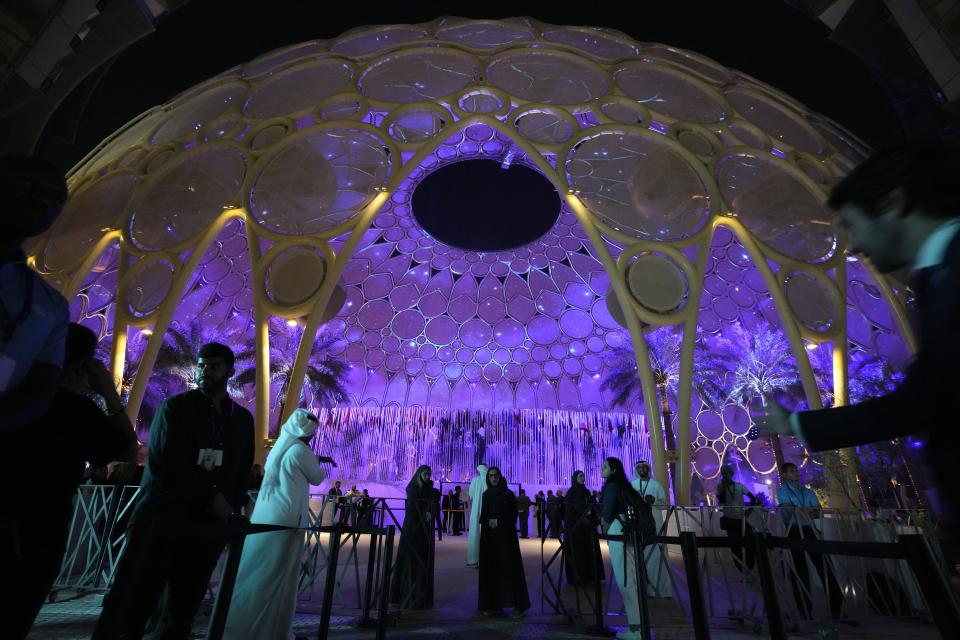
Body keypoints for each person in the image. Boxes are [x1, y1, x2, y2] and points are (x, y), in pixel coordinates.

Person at [756, 143, 960, 546]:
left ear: (892, 203)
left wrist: (797, 424)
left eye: (852, 224)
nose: (852, 245)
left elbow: (922, 401)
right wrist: (797, 424)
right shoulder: (935, 277)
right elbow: (925, 396)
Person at [92, 342, 255, 640]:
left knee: (183, 605)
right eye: (202, 364)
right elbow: (170, 463)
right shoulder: (176, 408)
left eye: (214, 365)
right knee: (135, 599)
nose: (206, 370)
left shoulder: (241, 419)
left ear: (230, 371)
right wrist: (214, 498)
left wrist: (233, 507)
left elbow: (241, 469)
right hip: (164, 518)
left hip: (206, 527)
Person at [8, 323, 136, 639]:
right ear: (81, 365)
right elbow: (127, 447)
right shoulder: (74, 410)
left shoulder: (12, 392)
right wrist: (107, 390)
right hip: (40, 528)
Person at [224, 409, 335, 639]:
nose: (313, 437)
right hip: (287, 523)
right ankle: (272, 632)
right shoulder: (301, 450)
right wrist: (315, 458)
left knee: (259, 572)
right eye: (312, 433)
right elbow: (317, 477)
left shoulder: (280, 449)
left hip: (269, 517)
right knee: (280, 579)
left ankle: (242, 625)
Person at [0, 154, 70, 435]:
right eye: (27, 184)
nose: (40, 200)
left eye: (54, 197)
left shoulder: (50, 305)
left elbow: (40, 389)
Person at [776, 462, 845, 620]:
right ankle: (804, 609)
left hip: (810, 530)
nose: (795, 473)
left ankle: (838, 609)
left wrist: (801, 511)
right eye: (791, 471)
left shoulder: (808, 492)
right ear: (785, 475)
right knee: (800, 571)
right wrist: (804, 511)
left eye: (796, 470)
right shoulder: (782, 491)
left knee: (825, 567)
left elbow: (817, 511)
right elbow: (790, 511)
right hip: (793, 531)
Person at [601, 457, 646, 640]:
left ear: (613, 470)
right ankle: (640, 625)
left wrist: (605, 527)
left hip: (618, 530)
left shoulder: (612, 486)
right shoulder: (626, 486)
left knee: (625, 579)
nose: (602, 470)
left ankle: (636, 630)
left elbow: (606, 512)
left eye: (605, 467)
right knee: (632, 578)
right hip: (629, 531)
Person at [477, 466, 530, 617]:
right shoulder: (486, 495)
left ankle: (519, 606)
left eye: (496, 475)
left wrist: (500, 522)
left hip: (506, 538)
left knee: (510, 569)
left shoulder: (508, 494)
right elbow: (485, 515)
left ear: (500, 477)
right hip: (490, 539)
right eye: (491, 476)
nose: (494, 478)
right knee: (492, 570)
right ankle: (493, 605)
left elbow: (512, 515)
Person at [390, 465, 436, 609]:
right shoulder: (412, 488)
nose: (428, 476)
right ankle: (404, 593)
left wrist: (431, 511)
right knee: (409, 556)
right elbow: (412, 506)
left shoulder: (431, 489)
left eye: (429, 474)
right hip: (412, 525)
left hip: (425, 527)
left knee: (422, 557)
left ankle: (420, 595)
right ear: (419, 474)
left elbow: (434, 505)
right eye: (425, 473)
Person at [632, 461, 671, 598]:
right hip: (638, 526)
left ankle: (661, 590)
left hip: (654, 526)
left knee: (656, 558)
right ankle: (642, 590)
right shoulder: (633, 485)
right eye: (639, 467)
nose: (642, 469)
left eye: (644, 467)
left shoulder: (656, 485)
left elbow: (665, 505)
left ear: (648, 469)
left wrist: (654, 501)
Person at [716, 464, 758, 575]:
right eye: (725, 474)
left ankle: (749, 567)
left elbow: (754, 499)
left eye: (728, 473)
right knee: (735, 547)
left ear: (731, 474)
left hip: (741, 519)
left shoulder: (739, 486)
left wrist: (748, 511)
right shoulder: (720, 487)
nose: (726, 475)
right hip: (730, 520)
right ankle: (742, 570)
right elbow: (721, 501)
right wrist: (722, 489)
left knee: (750, 543)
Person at [565, 470, 604, 586]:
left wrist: (593, 499)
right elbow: (570, 511)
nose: (583, 478)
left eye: (583, 476)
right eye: (580, 476)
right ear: (575, 478)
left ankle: (590, 575)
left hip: (588, 528)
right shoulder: (571, 493)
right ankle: (578, 577)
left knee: (589, 550)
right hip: (577, 529)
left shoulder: (586, 491)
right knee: (579, 552)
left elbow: (589, 505)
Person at [466, 464, 488, 567]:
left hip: (476, 510)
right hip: (487, 510)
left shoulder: (475, 480)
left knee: (475, 534)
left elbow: (470, 494)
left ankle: (473, 560)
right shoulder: (489, 479)